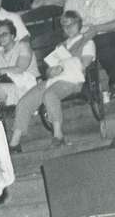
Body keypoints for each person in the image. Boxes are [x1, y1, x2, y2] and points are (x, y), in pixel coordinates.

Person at [10, 11, 96, 151]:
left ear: (79, 24)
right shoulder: (59, 46)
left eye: (71, 24)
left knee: (49, 95)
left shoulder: (87, 41)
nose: (68, 28)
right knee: (25, 101)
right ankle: (14, 143)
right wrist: (52, 71)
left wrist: (65, 61)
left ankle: (58, 136)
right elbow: (48, 71)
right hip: (53, 80)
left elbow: (85, 62)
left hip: (73, 79)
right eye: (64, 25)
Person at [65, 0, 115, 89]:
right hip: (83, 39)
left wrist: (98, 28)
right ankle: (85, 89)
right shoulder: (72, 0)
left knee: (105, 45)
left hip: (108, 33)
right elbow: (66, 26)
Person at [0, 19, 39, 106]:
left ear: (12, 35)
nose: (1, 38)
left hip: (28, 86)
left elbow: (20, 69)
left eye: (4, 34)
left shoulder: (23, 46)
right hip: (10, 86)